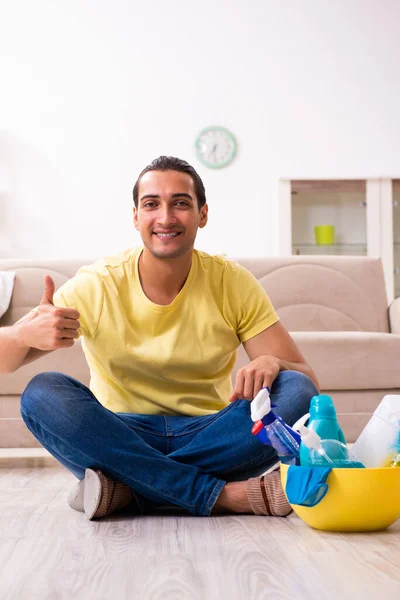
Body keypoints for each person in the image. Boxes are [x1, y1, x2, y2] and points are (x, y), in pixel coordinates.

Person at [1, 156, 319, 520]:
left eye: (180, 203)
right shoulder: (99, 283)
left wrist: (274, 362)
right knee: (43, 393)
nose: (165, 217)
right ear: (136, 216)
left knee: (295, 390)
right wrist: (24, 332)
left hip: (210, 433)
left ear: (203, 214)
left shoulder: (233, 282)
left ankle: (130, 489)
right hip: (118, 431)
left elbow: (305, 381)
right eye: (151, 204)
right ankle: (219, 495)